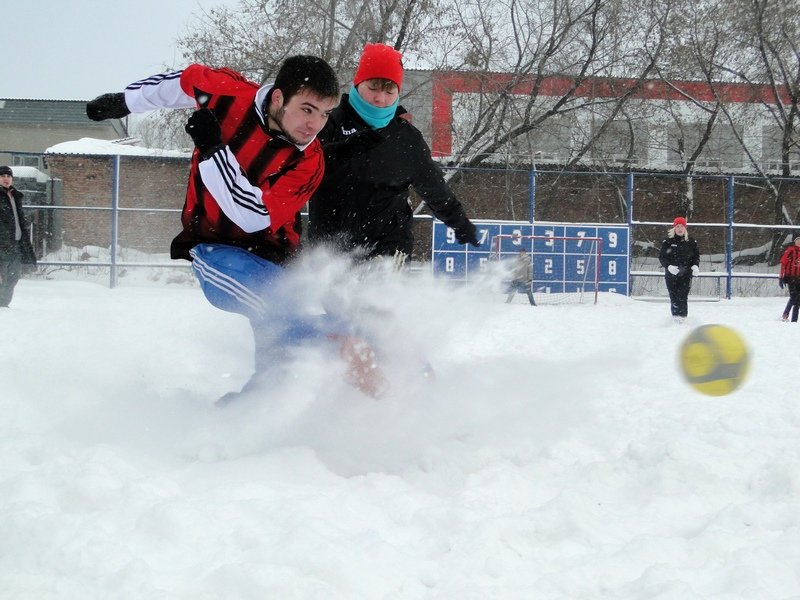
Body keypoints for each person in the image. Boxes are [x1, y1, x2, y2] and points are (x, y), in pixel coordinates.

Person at [87, 57, 348, 398]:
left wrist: (213, 151)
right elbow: (179, 82)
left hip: (276, 259)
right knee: (278, 311)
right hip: (217, 248)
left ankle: (255, 410)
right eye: (308, 109)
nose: (315, 125)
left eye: (325, 113)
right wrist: (125, 102)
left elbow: (252, 214)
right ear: (279, 98)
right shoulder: (226, 94)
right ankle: (332, 345)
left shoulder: (309, 161)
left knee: (282, 353)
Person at [308, 42, 479, 267]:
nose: (381, 99)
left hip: (389, 246)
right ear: (358, 84)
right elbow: (304, 164)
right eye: (373, 88)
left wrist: (459, 222)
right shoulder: (330, 121)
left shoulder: (406, 138)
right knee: (334, 301)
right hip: (331, 246)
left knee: (377, 297)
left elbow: (434, 187)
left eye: (389, 91)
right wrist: (343, 150)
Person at [0, 166, 37, 307]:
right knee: (1, 277)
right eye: (2, 176)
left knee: (13, 276)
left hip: (16, 244)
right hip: (2, 244)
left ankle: (4, 305)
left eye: (8, 176)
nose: (6, 179)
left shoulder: (16, 196)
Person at [659, 216, 700, 322]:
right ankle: (675, 320)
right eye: (678, 226)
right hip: (671, 275)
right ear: (674, 228)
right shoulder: (667, 242)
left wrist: (695, 266)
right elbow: (662, 257)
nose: (680, 228)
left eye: (682, 226)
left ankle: (683, 319)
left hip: (685, 275)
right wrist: (668, 266)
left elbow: (696, 257)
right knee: (674, 297)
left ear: (685, 228)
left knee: (683, 296)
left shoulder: (691, 242)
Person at [778, 235, 800, 322]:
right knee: (795, 298)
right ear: (795, 242)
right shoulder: (790, 250)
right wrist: (781, 277)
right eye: (798, 240)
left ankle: (787, 315)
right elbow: (783, 263)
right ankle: (793, 320)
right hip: (791, 278)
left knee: (796, 298)